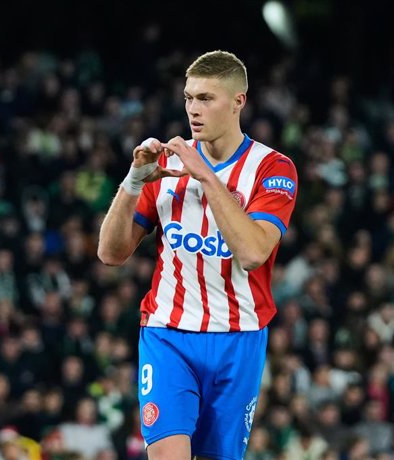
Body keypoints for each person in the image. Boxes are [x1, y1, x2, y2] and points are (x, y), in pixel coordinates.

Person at [98, 51, 298, 459]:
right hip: (168, 334)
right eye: (189, 98)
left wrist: (205, 175)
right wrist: (134, 180)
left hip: (238, 339)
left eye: (206, 99)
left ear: (238, 101)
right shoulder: (168, 164)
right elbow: (110, 253)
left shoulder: (273, 168)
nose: (193, 109)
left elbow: (254, 251)